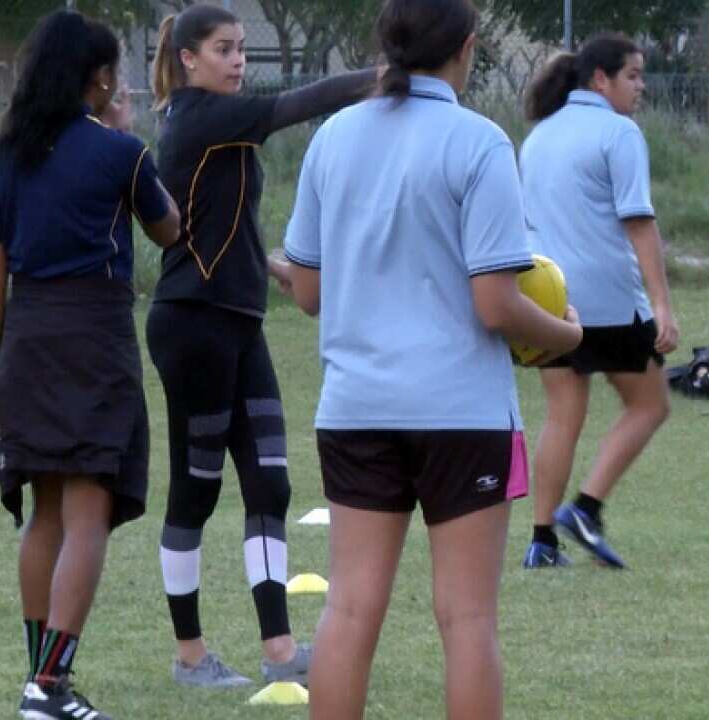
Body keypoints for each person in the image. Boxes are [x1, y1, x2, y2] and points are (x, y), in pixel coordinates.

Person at [283, 2, 581, 715]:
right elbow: (496, 304)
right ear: (469, 49)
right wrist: (568, 335)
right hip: (463, 412)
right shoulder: (479, 142)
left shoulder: (334, 136)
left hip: (356, 409)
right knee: (469, 620)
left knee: (349, 612)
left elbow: (307, 291)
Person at [146, 4, 377, 688]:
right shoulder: (198, 115)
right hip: (193, 323)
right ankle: (191, 658)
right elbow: (292, 105)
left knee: (270, 482)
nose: (238, 60)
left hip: (239, 320)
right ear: (189, 58)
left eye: (242, 48)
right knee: (196, 490)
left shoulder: (223, 125)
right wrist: (382, 76)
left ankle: (279, 648)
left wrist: (268, 265)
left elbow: (223, 217)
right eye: (224, 49)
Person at [0, 10, 179, 720]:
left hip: (27, 337)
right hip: (94, 335)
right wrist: (126, 138)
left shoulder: (3, 157)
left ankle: (40, 679)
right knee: (89, 509)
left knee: (47, 513)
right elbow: (169, 227)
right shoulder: (120, 153)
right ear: (99, 79)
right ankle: (50, 686)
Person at [517, 35, 680, 570]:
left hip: (547, 297)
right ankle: (585, 507)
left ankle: (541, 541)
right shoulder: (618, 132)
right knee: (652, 404)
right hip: (608, 300)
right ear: (600, 80)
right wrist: (662, 304)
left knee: (563, 414)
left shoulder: (539, 135)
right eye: (633, 76)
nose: (640, 87)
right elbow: (639, 222)